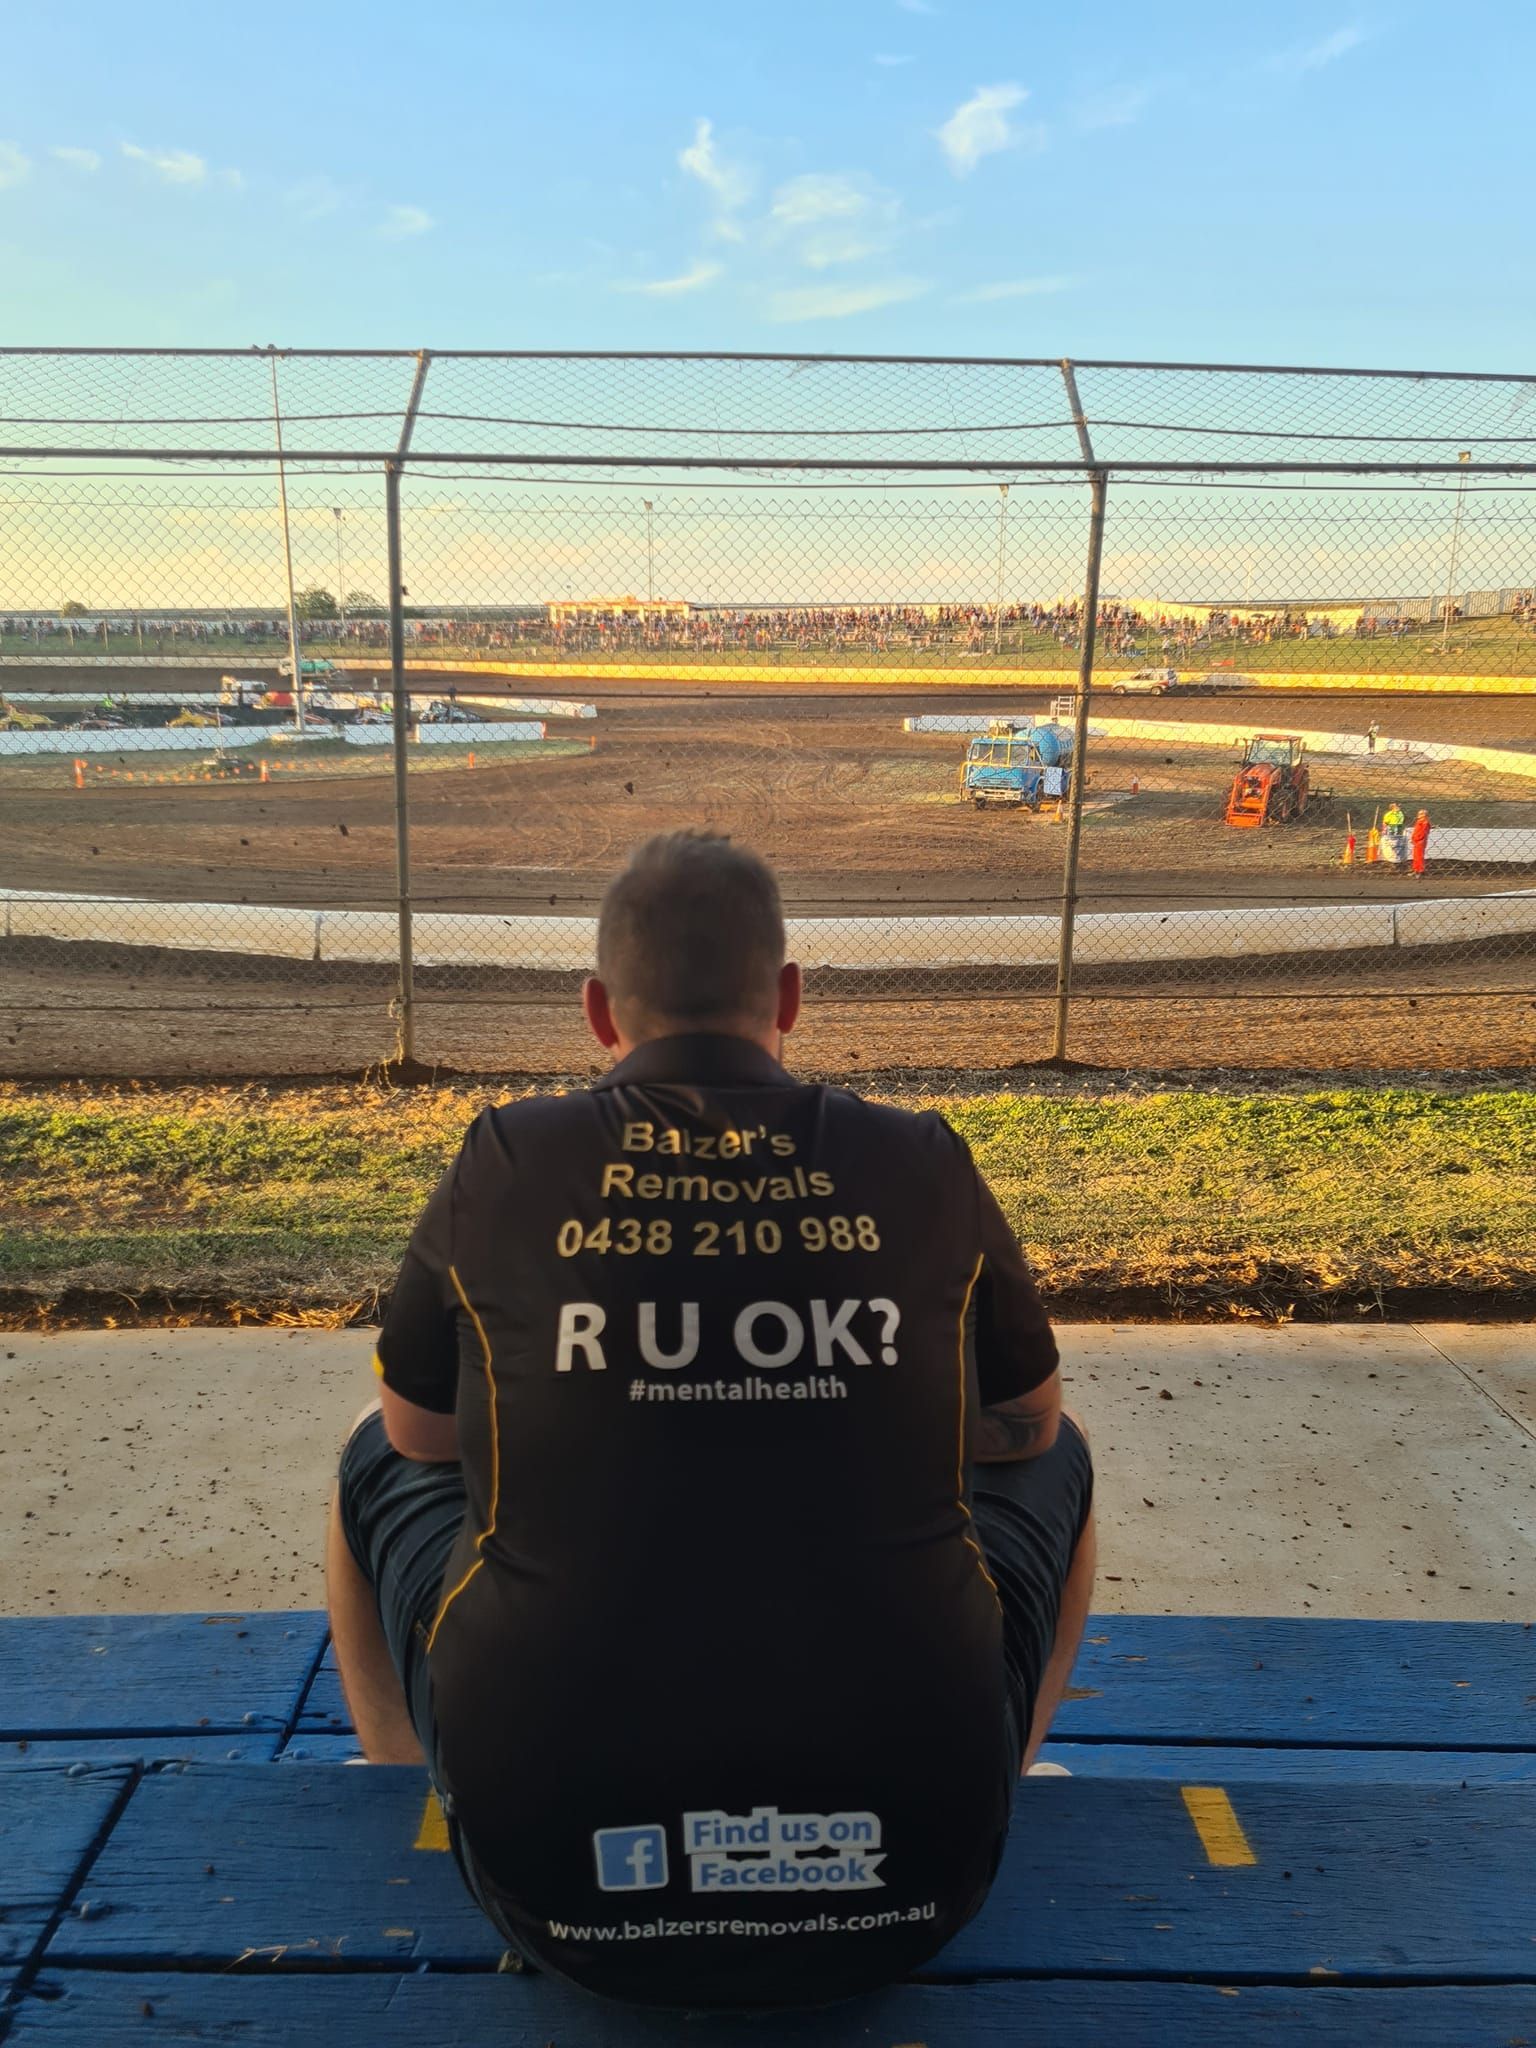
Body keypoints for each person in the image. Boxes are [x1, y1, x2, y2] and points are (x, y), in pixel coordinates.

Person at [327, 830, 1094, 2010]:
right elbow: (1028, 1427)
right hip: (915, 1877)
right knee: (1069, 1456)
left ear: (599, 1010)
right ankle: (1006, 1764)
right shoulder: (920, 1159)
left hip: (554, 1885)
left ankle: (414, 1784)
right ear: (787, 996)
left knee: (364, 1453)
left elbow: (417, 1436)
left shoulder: (509, 1159)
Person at [1411, 808, 1431, 875]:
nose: (1418, 815)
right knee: (1415, 856)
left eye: (1420, 814)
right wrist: (1413, 838)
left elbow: (1423, 833)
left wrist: (1417, 839)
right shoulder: (1419, 822)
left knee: (1419, 856)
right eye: (1419, 813)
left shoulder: (1425, 823)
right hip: (1417, 840)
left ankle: (1420, 870)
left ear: (1424, 815)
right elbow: (1416, 831)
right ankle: (1416, 869)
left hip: (1420, 841)